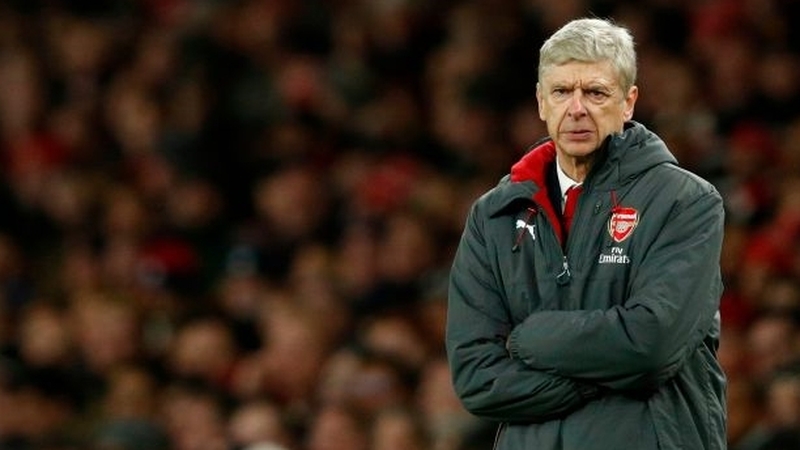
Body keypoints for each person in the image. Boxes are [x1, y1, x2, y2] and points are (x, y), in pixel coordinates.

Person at [445, 17, 726, 450]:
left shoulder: (685, 201)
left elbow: (650, 346)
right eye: (561, 92)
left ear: (628, 102)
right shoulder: (493, 217)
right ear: (541, 102)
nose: (577, 108)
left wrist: (530, 339)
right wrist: (602, 379)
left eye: (595, 92)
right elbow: (477, 378)